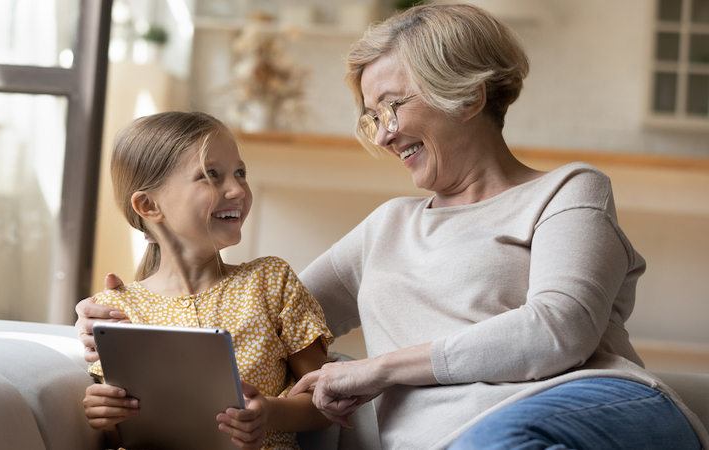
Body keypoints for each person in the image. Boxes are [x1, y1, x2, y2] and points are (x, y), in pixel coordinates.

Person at [78, 4, 709, 450]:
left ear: (469, 92)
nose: (382, 133)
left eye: (394, 105)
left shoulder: (568, 191)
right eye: (370, 115)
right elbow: (250, 317)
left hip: (591, 408)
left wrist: (378, 371)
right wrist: (115, 323)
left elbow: (558, 330)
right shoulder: (387, 227)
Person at [82, 111, 332, 450]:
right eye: (211, 176)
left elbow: (327, 395)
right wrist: (107, 419)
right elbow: (123, 433)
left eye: (240, 173)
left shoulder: (270, 282)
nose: (237, 189)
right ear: (149, 205)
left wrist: (270, 414)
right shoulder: (117, 310)